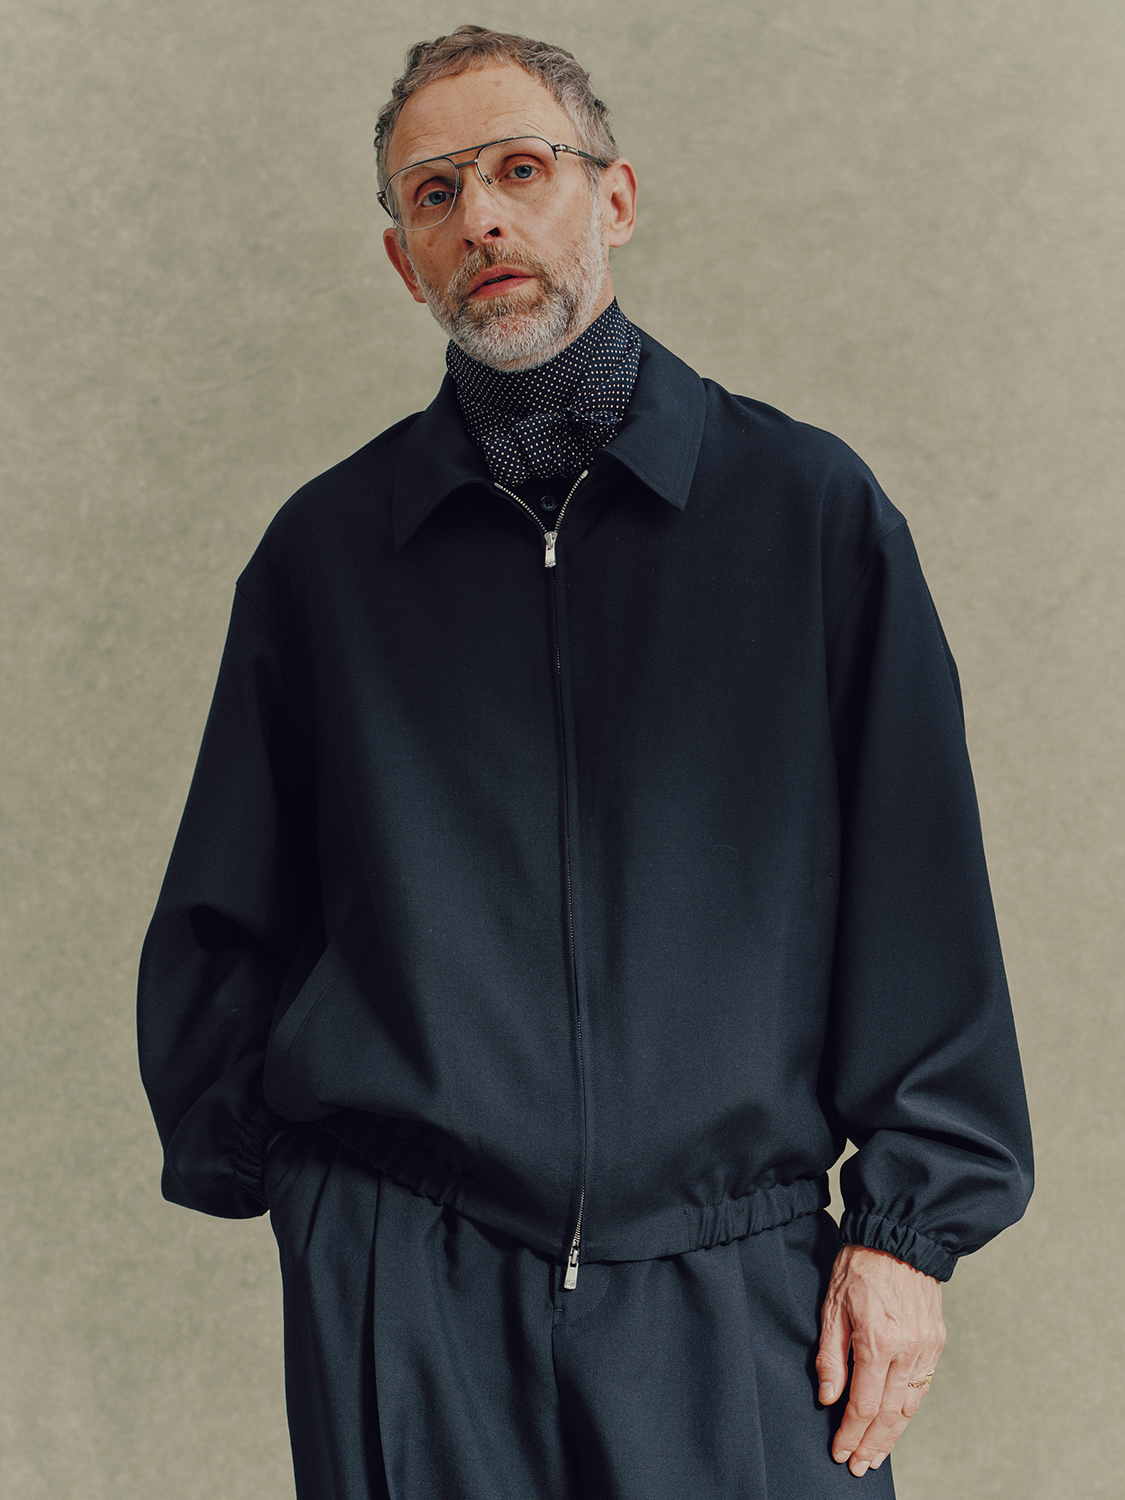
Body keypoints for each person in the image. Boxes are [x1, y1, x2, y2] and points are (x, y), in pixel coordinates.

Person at [137, 24, 1033, 1500]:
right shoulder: (326, 557)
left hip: (738, 1281)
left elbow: (920, 887)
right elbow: (225, 912)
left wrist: (907, 1235)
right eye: (435, 194)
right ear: (402, 260)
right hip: (413, 1288)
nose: (480, 217)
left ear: (612, 198)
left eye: (520, 169)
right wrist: (315, 1210)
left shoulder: (805, 513)